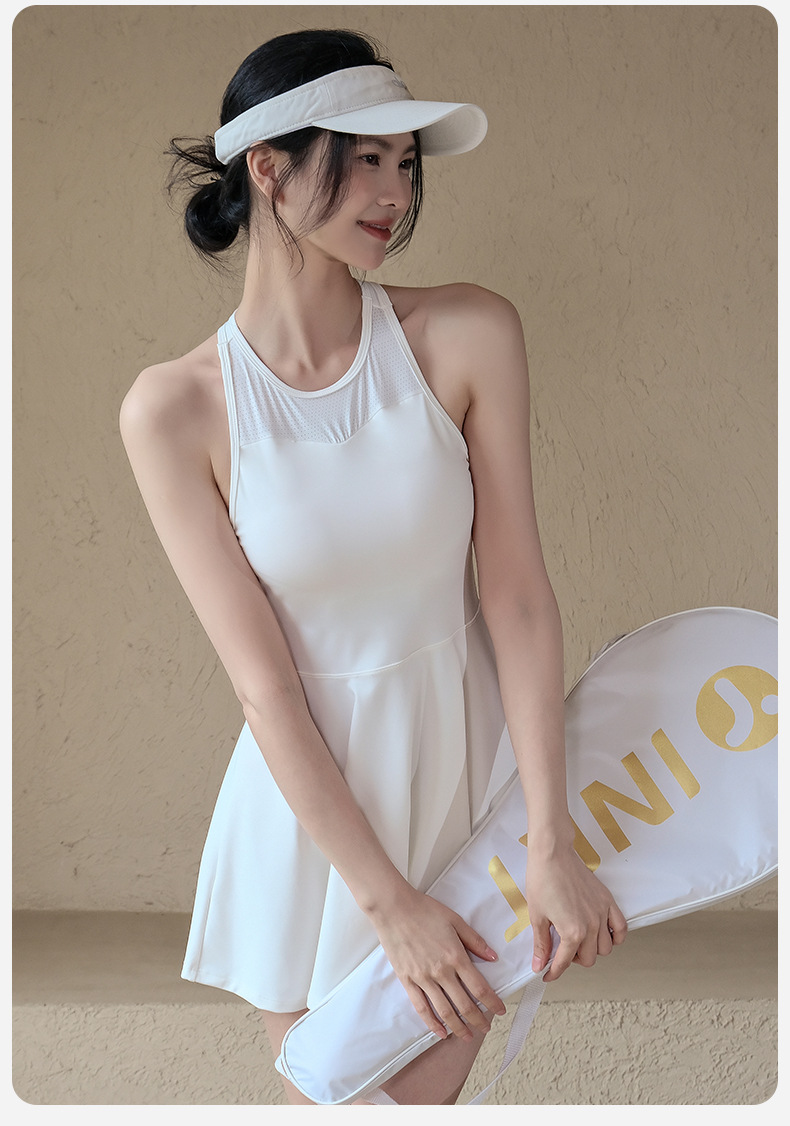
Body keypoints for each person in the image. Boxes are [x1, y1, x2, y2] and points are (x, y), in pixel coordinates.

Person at [120, 28, 627, 1106]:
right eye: (365, 159)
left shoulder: (469, 334)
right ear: (269, 169)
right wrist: (386, 902)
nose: (396, 191)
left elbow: (518, 598)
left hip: (465, 785)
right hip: (311, 824)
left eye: (406, 162)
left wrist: (550, 838)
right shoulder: (173, 409)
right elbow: (263, 682)